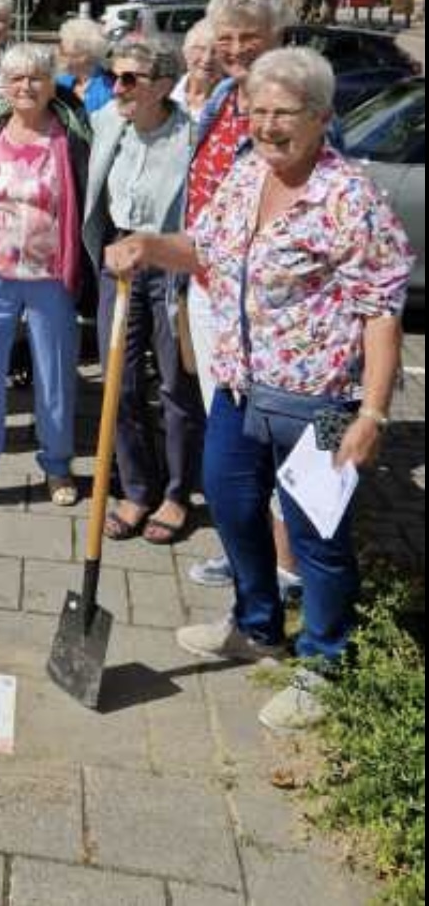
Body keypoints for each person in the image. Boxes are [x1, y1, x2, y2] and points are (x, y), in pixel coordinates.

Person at [106, 47, 412, 732]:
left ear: (321, 118)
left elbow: (380, 312)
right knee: (231, 505)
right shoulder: (247, 174)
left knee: (317, 539)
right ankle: (254, 625)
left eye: (284, 113)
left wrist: (371, 413)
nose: (267, 125)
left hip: (323, 402)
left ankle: (326, 661)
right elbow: (205, 251)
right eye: (257, 111)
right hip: (239, 389)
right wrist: (150, 245)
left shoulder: (349, 197)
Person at [184, 0, 302, 593]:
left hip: (266, 304)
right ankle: (246, 553)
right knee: (228, 430)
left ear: (276, 38)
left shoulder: (288, 102)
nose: (234, 48)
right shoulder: (224, 96)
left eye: (248, 37)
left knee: (272, 435)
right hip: (209, 289)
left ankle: (284, 566)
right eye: (225, 36)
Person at [0, 44, 92, 520]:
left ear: (52, 84)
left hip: (51, 274)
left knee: (55, 373)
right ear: (3, 86)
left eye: (36, 78)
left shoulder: (70, 134)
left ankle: (57, 465)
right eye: (16, 79)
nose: (25, 87)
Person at [83, 40, 204, 543]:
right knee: (120, 381)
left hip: (170, 269)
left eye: (130, 79)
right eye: (115, 75)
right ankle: (136, 489)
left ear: (161, 84)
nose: (117, 87)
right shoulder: (108, 123)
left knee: (177, 384)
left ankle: (177, 495)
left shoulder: (192, 137)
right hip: (118, 262)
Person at [56, 16, 115, 114]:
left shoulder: (108, 90)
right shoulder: (62, 81)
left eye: (63, 51)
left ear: (84, 56)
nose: (57, 53)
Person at [171, 18, 221, 125]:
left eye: (216, 52)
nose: (207, 58)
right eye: (200, 49)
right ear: (185, 52)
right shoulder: (166, 91)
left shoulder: (229, 100)